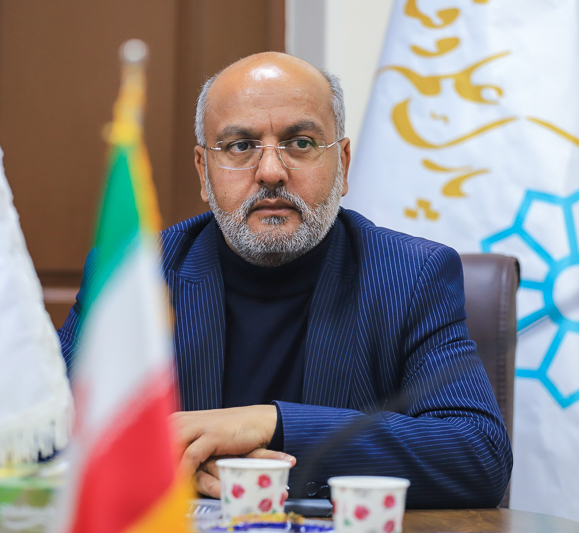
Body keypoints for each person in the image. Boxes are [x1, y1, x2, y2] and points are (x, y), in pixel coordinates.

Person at [58, 52, 512, 508]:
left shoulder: (410, 275)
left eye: (300, 143)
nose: (271, 172)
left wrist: (273, 424)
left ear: (343, 163)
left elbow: (478, 455)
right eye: (240, 146)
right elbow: (38, 433)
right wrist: (169, 462)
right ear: (203, 170)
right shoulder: (135, 277)